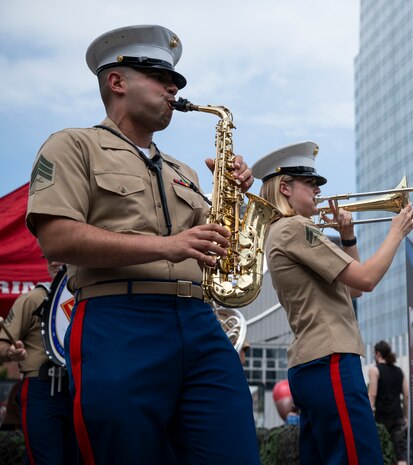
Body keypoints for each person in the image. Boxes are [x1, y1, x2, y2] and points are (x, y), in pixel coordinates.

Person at [25, 25, 260, 465]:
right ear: (117, 82)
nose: (174, 88)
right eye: (160, 77)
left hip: (200, 321)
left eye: (176, 81)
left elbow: (213, 248)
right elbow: (56, 237)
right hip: (119, 321)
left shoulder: (184, 170)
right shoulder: (73, 145)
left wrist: (233, 196)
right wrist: (167, 246)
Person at [253, 141, 413, 465]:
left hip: (313, 362)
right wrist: (396, 232)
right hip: (329, 360)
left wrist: (348, 238)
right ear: (285, 187)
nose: (317, 191)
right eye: (310, 184)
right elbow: (367, 280)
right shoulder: (296, 228)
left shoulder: (283, 231)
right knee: (360, 457)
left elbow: (352, 290)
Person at [0, 260, 78, 465]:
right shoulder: (32, 299)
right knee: (45, 460)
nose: (54, 261)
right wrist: (10, 352)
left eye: (62, 254)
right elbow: (2, 343)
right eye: (49, 255)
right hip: (41, 389)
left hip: (78, 389)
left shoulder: (86, 298)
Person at [368, 340, 409, 465]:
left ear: (378, 354)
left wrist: (370, 415)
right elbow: (406, 395)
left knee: (381, 452)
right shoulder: (399, 371)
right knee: (400, 454)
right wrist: (406, 416)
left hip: (381, 418)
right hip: (397, 417)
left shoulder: (374, 370)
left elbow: (372, 394)